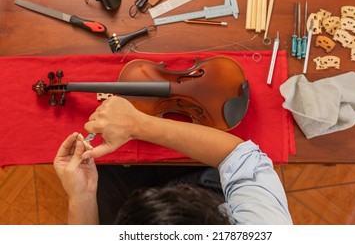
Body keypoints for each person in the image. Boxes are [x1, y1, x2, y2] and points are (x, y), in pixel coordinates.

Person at [54, 96, 292, 225]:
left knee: (108, 173)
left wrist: (81, 197)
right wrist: (137, 124)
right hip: (210, 190)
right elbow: (240, 157)